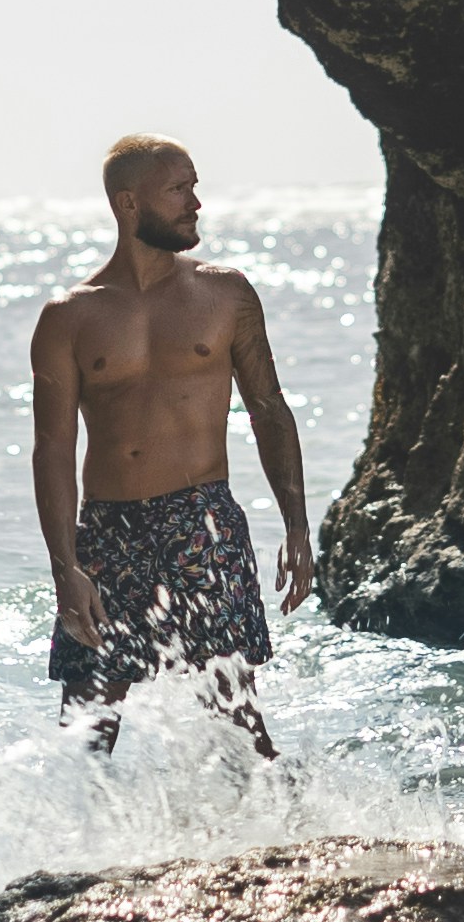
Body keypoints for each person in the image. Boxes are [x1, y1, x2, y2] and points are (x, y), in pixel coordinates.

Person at [31, 135, 315, 755]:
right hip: (107, 531)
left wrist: (296, 525)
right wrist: (65, 569)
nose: (197, 203)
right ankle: (82, 849)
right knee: (85, 727)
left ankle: (278, 839)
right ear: (129, 203)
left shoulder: (226, 293)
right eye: (179, 189)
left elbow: (269, 408)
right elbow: (52, 448)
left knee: (236, 719)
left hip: (202, 521)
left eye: (194, 185)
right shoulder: (69, 317)